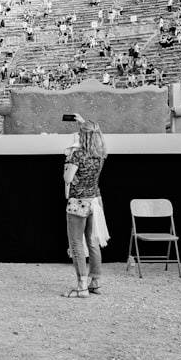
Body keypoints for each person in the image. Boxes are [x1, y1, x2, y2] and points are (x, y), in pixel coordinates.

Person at [62, 115, 108, 299]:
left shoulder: (77, 155)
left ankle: (81, 285)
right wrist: (83, 121)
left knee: (76, 243)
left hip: (78, 202)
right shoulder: (101, 153)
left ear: (82, 135)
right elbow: (94, 131)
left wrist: (66, 166)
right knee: (92, 241)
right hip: (94, 200)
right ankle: (94, 281)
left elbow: (68, 178)